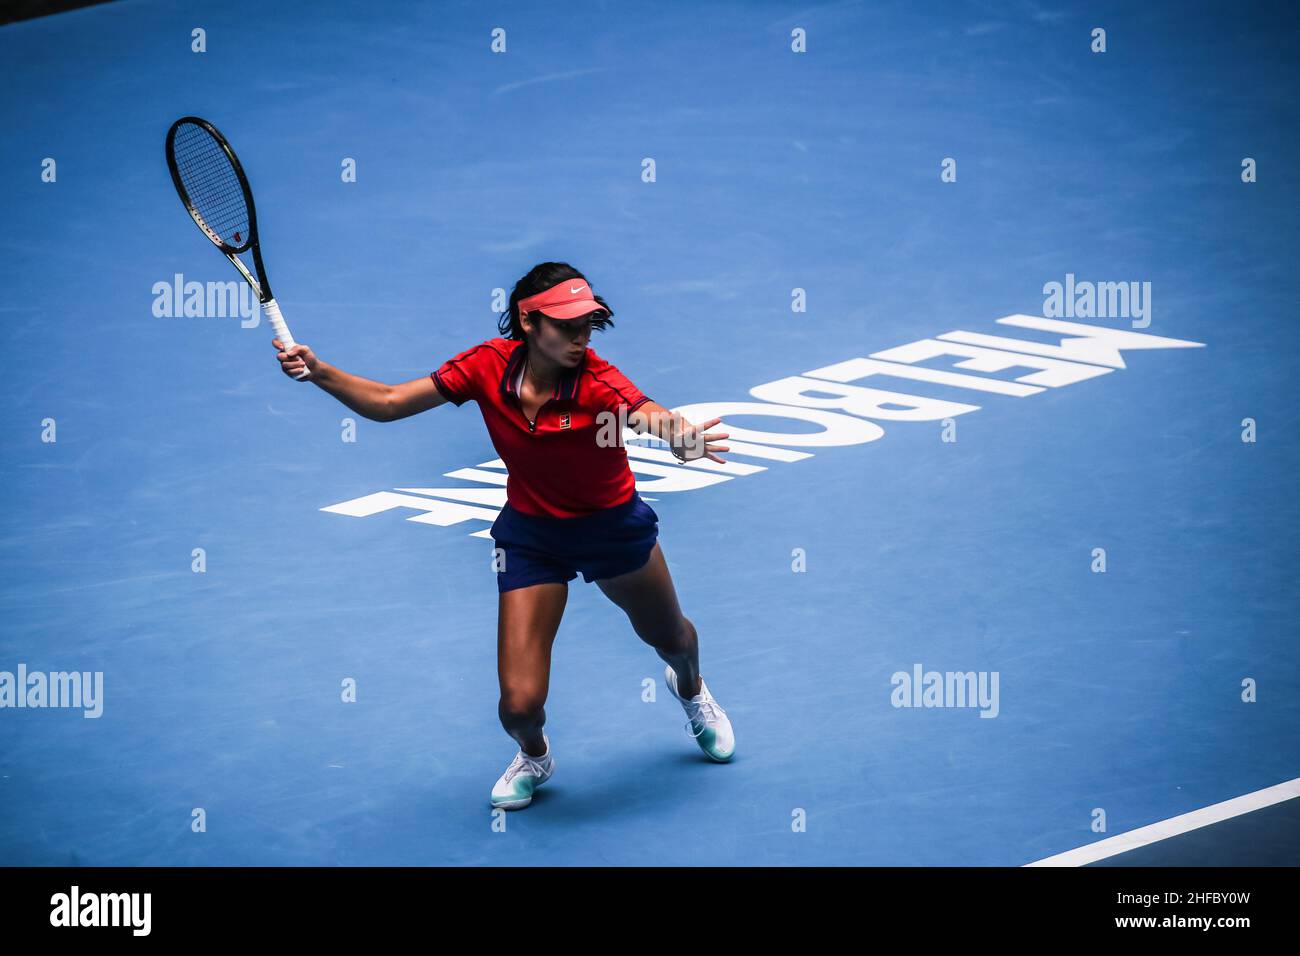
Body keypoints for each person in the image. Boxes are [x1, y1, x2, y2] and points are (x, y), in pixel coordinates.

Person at [272, 261, 735, 810]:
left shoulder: (599, 385)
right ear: (528, 321)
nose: (580, 336)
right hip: (532, 538)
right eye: (566, 325)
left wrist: (679, 436)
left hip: (611, 531)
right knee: (517, 706)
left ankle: (691, 691)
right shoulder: (486, 367)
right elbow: (390, 403)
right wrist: (319, 371)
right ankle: (536, 755)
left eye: (588, 323)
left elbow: (647, 414)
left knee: (673, 641)